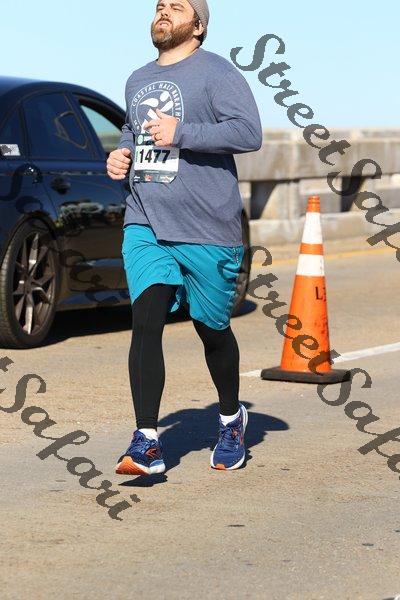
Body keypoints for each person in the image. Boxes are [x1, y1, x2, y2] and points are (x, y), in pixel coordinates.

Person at [106, 0, 262, 475]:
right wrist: (121, 154)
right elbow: (133, 131)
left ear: (198, 25)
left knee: (211, 329)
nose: (163, 12)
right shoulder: (136, 79)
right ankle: (147, 441)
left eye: (176, 7)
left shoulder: (218, 72)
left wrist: (182, 131)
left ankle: (231, 419)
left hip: (206, 226)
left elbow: (248, 132)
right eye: (159, 6)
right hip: (146, 220)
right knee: (146, 321)